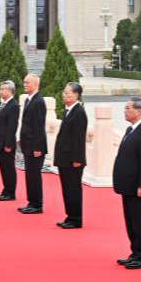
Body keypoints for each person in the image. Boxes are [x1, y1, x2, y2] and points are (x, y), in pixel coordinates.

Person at [112, 97, 141, 269]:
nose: (125, 111)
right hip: (127, 185)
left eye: (128, 108)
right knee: (131, 222)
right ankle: (134, 252)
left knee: (140, 222)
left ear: (139, 111)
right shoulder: (130, 129)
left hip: (138, 187)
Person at [54, 83, 88, 229]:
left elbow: (79, 139)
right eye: (64, 92)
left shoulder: (79, 112)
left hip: (73, 160)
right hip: (64, 159)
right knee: (66, 189)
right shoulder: (68, 111)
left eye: (67, 93)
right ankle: (70, 216)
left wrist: (77, 159)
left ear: (76, 95)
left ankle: (76, 219)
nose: (64, 95)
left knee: (73, 189)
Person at [18, 74, 47, 214]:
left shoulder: (39, 102)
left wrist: (37, 147)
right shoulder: (28, 100)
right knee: (29, 175)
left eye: (27, 83)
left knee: (34, 176)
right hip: (27, 144)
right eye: (24, 82)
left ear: (36, 84)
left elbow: (38, 127)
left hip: (35, 146)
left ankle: (37, 204)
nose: (25, 85)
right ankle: (31, 202)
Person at [0, 80, 20, 201]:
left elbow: (12, 126)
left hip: (6, 143)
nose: (0, 92)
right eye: (0, 89)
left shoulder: (13, 105)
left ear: (10, 91)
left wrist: (8, 144)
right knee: (3, 167)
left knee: (8, 168)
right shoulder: (4, 104)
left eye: (3, 89)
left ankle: (10, 192)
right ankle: (5, 190)